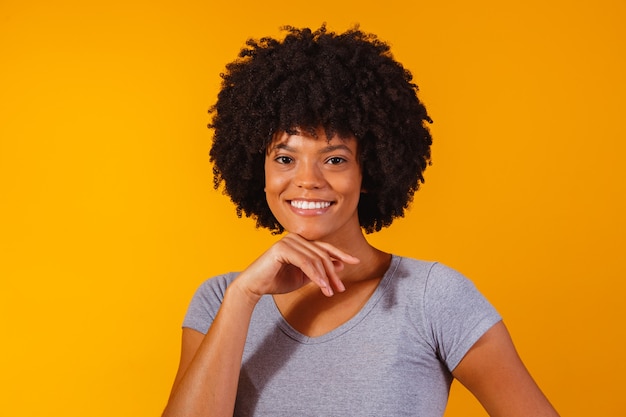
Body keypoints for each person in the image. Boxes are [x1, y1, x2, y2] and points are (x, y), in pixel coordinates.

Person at [162, 25, 559, 417]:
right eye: (285, 158)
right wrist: (244, 295)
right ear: (258, 170)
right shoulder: (219, 300)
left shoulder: (432, 299)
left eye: (334, 159)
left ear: (368, 171)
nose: (307, 180)